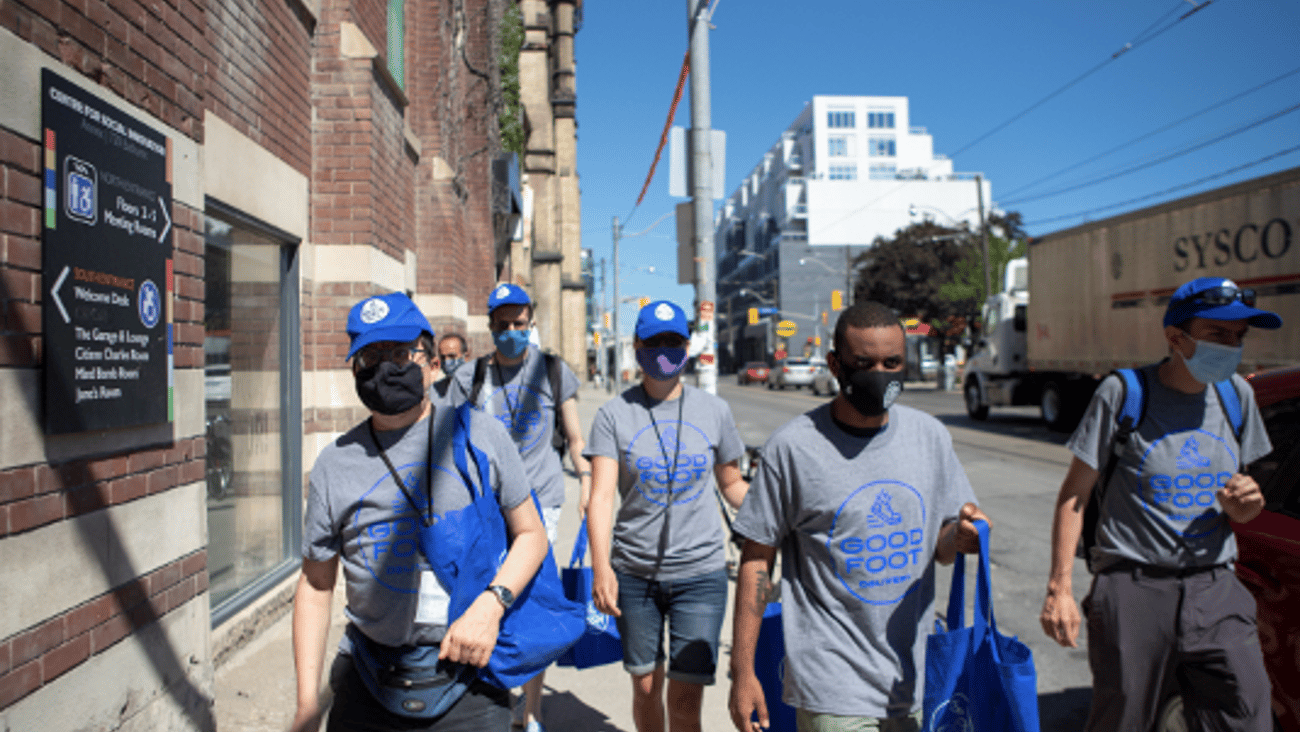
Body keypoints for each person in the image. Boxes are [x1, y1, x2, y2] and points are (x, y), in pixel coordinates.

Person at [290, 292, 549, 732]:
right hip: (369, 676)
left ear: (430, 364)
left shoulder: (481, 437)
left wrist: (492, 605)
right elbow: (316, 585)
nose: (385, 368)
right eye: (370, 357)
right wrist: (306, 702)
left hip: (469, 676)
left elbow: (531, 535)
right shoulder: (334, 464)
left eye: (398, 353)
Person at [728, 301, 989, 732]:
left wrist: (961, 538)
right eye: (864, 363)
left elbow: (939, 547)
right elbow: (757, 559)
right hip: (831, 683)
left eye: (892, 363)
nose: (880, 374)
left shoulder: (930, 438)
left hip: (914, 679)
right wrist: (743, 671)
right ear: (835, 365)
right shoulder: (791, 449)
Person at [1040, 277, 1280, 732]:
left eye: (1238, 336)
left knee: (1246, 713)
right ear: (1176, 338)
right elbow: (1075, 494)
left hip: (1215, 585)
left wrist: (1244, 505)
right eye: (1218, 334)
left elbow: (1246, 506)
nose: (1232, 347)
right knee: (1125, 719)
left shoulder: (1237, 396)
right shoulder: (1126, 394)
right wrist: (1060, 588)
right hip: (1133, 586)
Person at [586, 299, 750, 732]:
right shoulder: (614, 415)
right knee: (644, 687)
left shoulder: (714, 411)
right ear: (636, 345)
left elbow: (731, 484)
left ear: (687, 345)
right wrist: (601, 567)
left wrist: (779, 513)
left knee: (684, 698)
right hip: (634, 574)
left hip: (701, 574)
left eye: (673, 341)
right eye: (654, 341)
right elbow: (601, 497)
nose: (663, 349)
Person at [450, 283, 591, 732]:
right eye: (503, 324)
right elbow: (443, 441)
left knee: (529, 603)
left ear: (530, 322)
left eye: (519, 323)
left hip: (542, 503)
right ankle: (496, 694)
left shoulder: (552, 371)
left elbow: (574, 438)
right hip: (487, 510)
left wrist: (587, 482)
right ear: (491, 325)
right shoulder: (469, 378)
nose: (512, 331)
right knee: (490, 597)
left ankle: (530, 711)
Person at [432, 332, 469, 403]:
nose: (446, 361)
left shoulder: (480, 387)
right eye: (443, 357)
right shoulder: (436, 389)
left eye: (452, 356)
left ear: (466, 357)